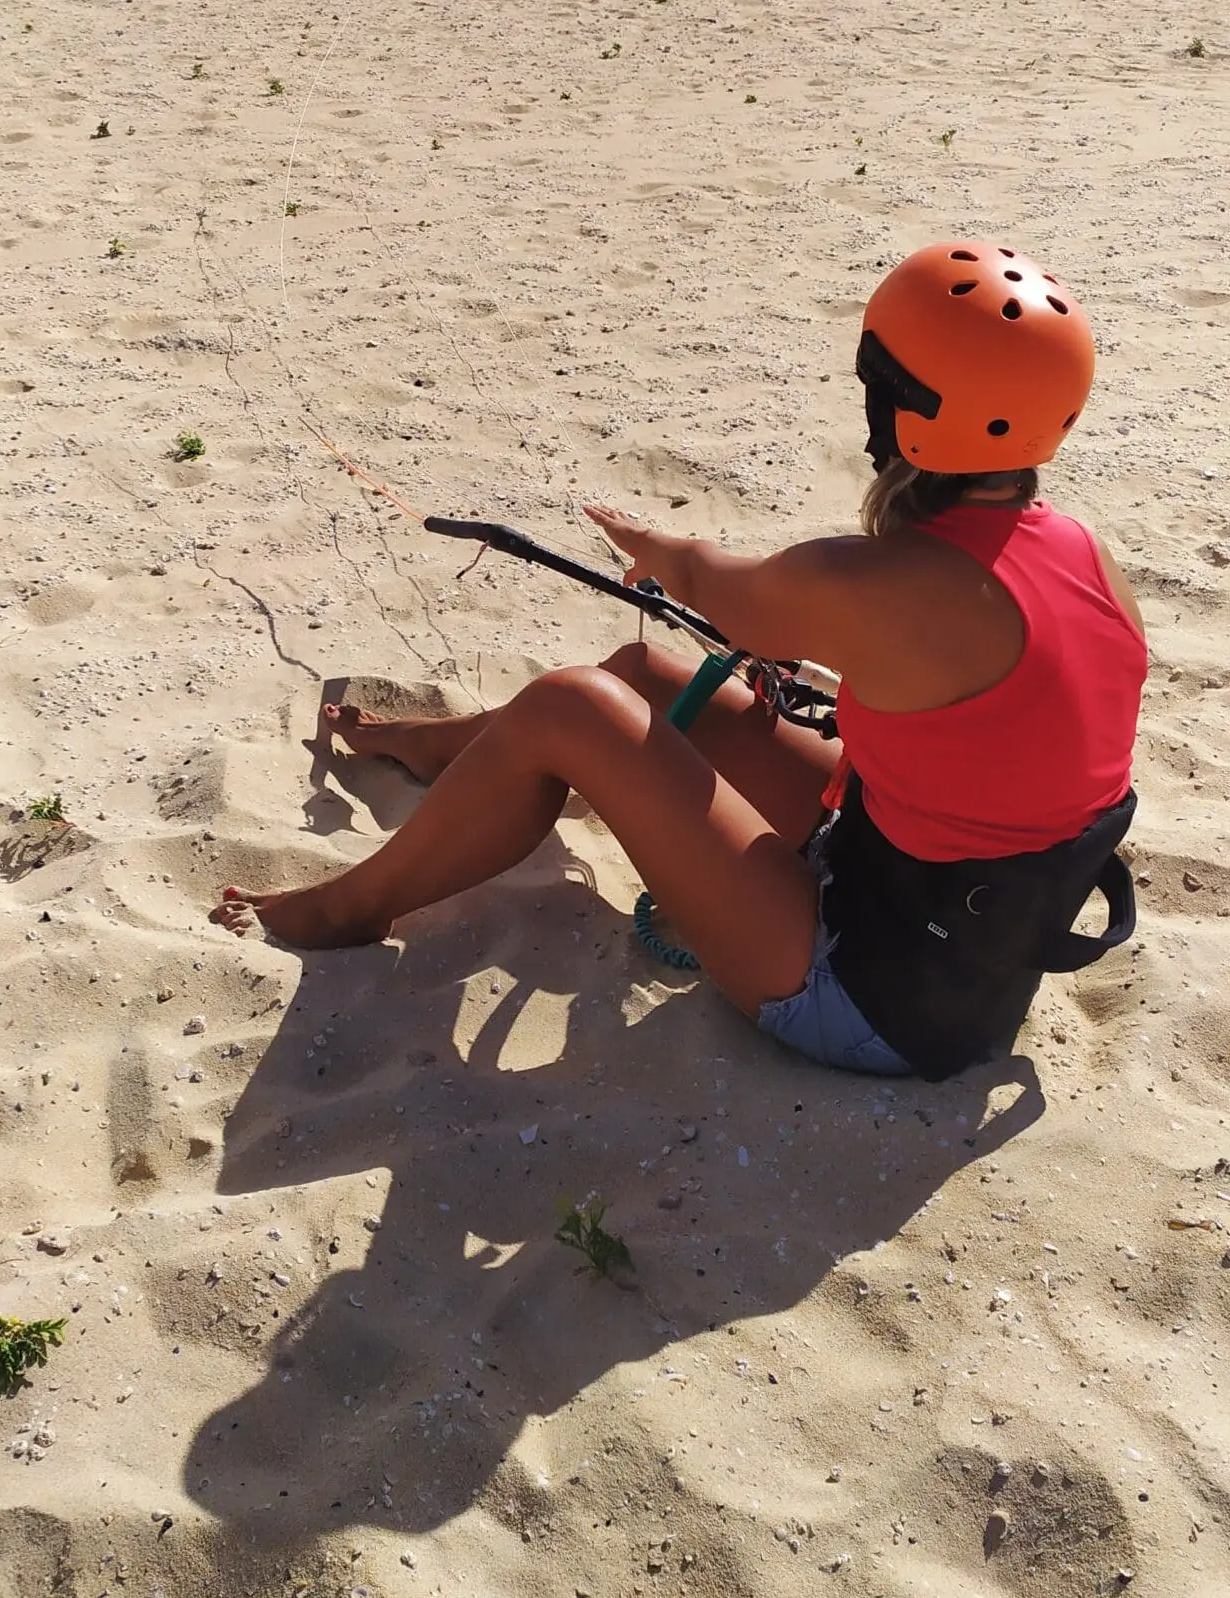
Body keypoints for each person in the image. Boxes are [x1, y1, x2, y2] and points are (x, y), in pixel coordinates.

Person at [214, 241, 1147, 1081]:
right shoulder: (1085, 554)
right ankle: (440, 749)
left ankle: (348, 910)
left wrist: (657, 548)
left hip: (875, 998)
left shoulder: (876, 582)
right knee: (641, 674)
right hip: (945, 919)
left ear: (903, 407)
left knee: (574, 707)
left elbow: (726, 592)